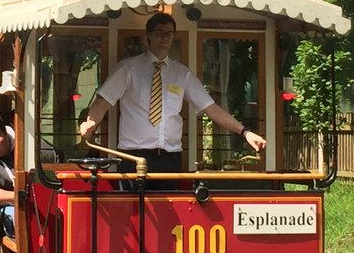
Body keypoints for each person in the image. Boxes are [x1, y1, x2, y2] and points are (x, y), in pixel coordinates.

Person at [78, 12, 266, 179]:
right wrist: (90, 122)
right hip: (133, 156)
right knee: (136, 208)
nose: (165, 38)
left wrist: (245, 132)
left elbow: (211, 108)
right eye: (159, 33)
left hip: (170, 158)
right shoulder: (128, 69)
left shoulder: (182, 74)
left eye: (169, 34)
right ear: (149, 35)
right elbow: (103, 102)